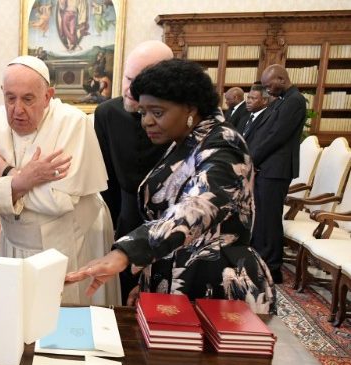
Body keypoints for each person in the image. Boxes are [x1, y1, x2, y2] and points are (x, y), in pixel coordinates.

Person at [67, 58, 275, 314]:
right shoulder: (186, 140)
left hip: (216, 286)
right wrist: (148, 280)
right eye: (143, 113)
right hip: (179, 278)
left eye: (157, 112)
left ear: (190, 107)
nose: (147, 122)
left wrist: (125, 253)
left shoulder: (224, 144)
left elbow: (195, 208)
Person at [0, 55, 119, 306]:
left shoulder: (72, 123)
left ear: (48, 96)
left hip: (67, 240)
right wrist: (26, 179)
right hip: (14, 239)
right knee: (17, 314)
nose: (17, 110)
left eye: (28, 99)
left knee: (65, 320)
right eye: (10, 98)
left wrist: (5, 173)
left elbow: (58, 202)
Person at [93, 40, 172, 303]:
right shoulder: (107, 113)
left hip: (173, 226)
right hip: (126, 223)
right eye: (127, 78)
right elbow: (107, 184)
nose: (129, 89)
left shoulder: (181, 120)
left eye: (138, 82)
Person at [249, 64, 307, 285]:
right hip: (269, 167)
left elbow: (276, 136)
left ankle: (273, 269)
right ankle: (261, 261)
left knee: (270, 219)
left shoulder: (295, 101)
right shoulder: (283, 100)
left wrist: (253, 159)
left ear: (281, 79)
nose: (266, 89)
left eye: (268, 85)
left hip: (277, 169)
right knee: (262, 216)